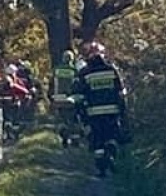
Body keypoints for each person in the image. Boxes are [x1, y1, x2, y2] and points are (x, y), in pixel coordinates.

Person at [73, 41, 128, 177]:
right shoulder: (111, 69)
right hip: (112, 112)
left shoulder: (84, 73)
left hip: (93, 114)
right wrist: (123, 111)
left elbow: (79, 96)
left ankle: (102, 169)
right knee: (112, 136)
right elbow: (121, 92)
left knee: (97, 140)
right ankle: (111, 151)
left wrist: (81, 114)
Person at [50, 49, 81, 147]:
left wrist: (51, 97)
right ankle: (74, 139)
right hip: (70, 98)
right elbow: (77, 85)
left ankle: (64, 135)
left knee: (62, 118)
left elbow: (52, 84)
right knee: (73, 118)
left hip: (58, 98)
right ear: (71, 59)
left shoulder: (56, 69)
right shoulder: (74, 71)